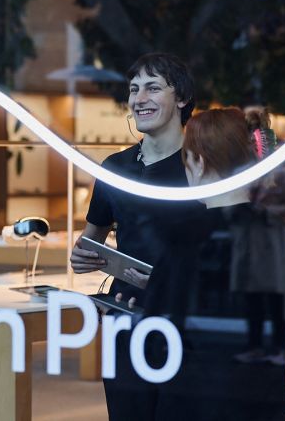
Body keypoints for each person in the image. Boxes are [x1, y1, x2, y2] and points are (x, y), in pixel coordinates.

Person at [141, 108, 285, 420]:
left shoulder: (188, 236)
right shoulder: (276, 231)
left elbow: (161, 333)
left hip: (196, 401)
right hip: (261, 398)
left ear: (199, 163)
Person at [70, 52, 201, 420]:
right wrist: (83, 256)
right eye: (134, 89)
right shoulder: (116, 168)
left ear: (181, 98)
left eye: (153, 87)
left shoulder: (201, 167)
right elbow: (90, 239)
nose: (139, 98)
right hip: (126, 318)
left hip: (185, 320)